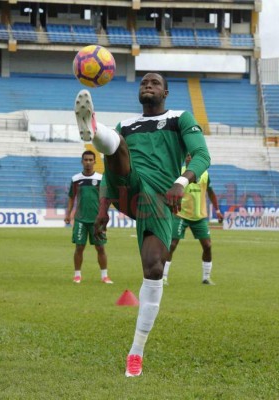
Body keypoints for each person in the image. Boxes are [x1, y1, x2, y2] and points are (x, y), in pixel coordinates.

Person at [74, 72, 210, 377]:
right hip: (131, 188)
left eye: (154, 83)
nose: (147, 86)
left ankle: (136, 352)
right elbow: (109, 175)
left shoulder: (179, 117)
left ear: (166, 92)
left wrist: (181, 182)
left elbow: (201, 154)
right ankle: (95, 129)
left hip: (161, 200)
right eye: (143, 83)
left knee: (153, 268)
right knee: (118, 145)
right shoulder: (128, 124)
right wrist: (102, 209)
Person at [163, 154, 223, 286]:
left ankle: (206, 277)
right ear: (185, 158)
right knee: (171, 245)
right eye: (188, 156)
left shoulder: (205, 174)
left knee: (207, 246)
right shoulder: (179, 172)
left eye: (191, 156)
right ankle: (163, 277)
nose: (189, 158)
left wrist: (217, 210)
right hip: (181, 214)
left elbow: (211, 192)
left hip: (199, 216)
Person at [65, 150, 113, 284]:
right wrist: (68, 214)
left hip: (97, 220)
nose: (88, 162)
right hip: (80, 219)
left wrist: (104, 215)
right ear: (82, 161)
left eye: (90, 160)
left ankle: (104, 276)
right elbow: (71, 197)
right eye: (85, 160)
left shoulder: (100, 179)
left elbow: (105, 198)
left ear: (95, 161)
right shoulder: (76, 179)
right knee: (79, 247)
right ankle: (77, 275)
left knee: (100, 247)